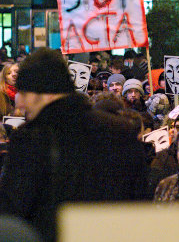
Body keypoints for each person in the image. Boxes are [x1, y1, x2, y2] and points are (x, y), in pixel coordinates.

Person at [0, 48, 147, 241]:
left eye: (23, 92)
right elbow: (139, 204)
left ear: (40, 92)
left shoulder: (32, 139)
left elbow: (13, 210)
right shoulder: (122, 131)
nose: (19, 102)